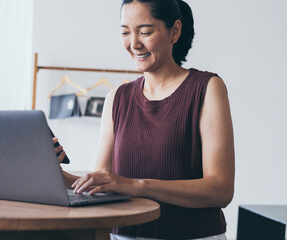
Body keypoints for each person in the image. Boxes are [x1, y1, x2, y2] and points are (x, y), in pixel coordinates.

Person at [53, 0, 235, 239]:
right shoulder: (116, 98)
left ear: (175, 31)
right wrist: (60, 178)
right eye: (125, 32)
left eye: (145, 31)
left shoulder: (207, 88)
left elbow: (220, 190)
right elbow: (105, 185)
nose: (134, 43)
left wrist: (139, 185)